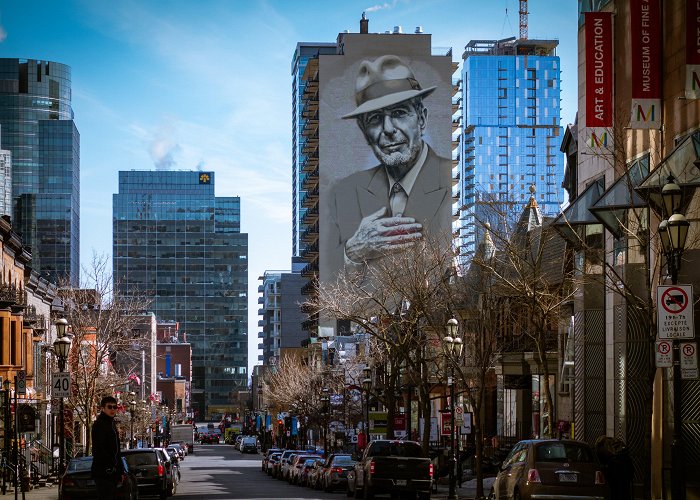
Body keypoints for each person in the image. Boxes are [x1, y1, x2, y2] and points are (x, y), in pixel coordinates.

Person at [326, 54, 452, 277]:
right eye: (375, 118)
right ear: (364, 132)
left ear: (422, 119)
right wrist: (352, 253)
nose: (388, 129)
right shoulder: (343, 193)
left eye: (399, 113)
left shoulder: (454, 182)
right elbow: (327, 283)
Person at [91, 396, 123, 499]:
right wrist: (109, 467)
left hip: (113, 472)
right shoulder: (99, 425)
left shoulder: (112, 424)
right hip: (103, 472)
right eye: (110, 407)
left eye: (115, 407)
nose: (113, 409)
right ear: (103, 408)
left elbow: (117, 451)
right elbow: (99, 449)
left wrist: (120, 470)